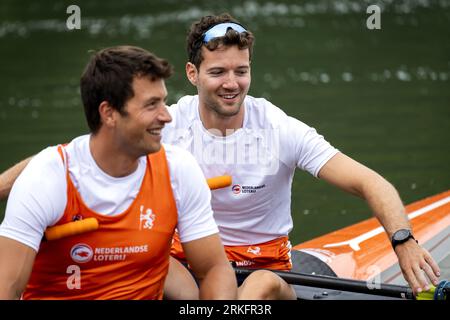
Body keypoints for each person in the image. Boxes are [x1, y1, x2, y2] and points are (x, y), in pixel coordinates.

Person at [0, 14, 441, 299]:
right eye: (218, 72)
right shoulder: (167, 124)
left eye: (241, 71)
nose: (232, 83)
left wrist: (402, 240)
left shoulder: (280, 129)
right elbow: (71, 156)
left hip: (265, 269)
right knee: (162, 271)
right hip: (187, 261)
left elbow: (370, 182)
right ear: (193, 74)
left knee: (259, 287)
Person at [0, 46, 237, 300]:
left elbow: (213, 269)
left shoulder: (177, 169)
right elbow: (7, 289)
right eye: (151, 105)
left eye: (164, 102)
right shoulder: (48, 177)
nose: (166, 116)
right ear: (109, 113)